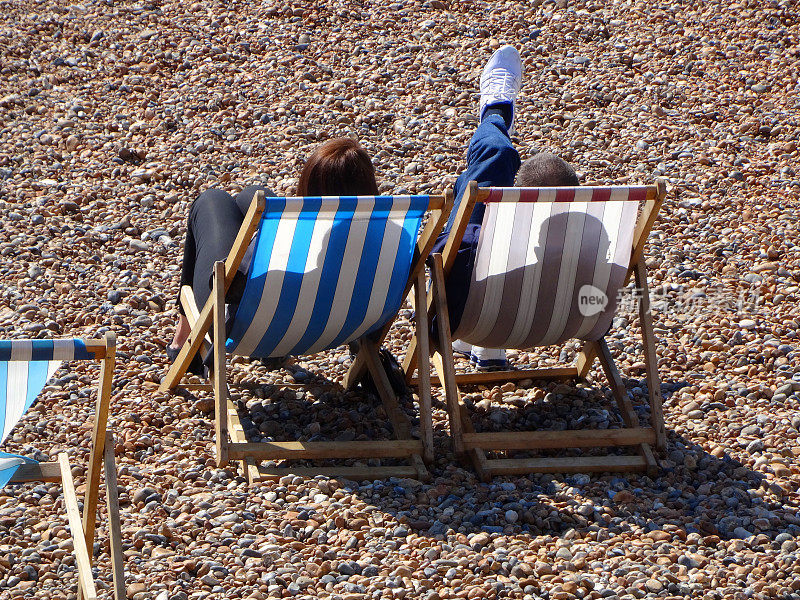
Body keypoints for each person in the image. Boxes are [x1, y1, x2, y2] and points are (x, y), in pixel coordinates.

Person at [166, 138, 379, 373]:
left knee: (211, 200)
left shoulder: (299, 237)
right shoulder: (394, 236)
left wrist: (255, 245)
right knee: (254, 195)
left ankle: (184, 337)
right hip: (344, 326)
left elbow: (231, 284)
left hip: (259, 331)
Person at [434, 45, 580, 370]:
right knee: (482, 205)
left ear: (517, 199)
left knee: (492, 162)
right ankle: (486, 349)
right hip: (559, 325)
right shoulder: (596, 253)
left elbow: (434, 262)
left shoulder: (472, 243)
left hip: (462, 314)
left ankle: (495, 112)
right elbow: (605, 312)